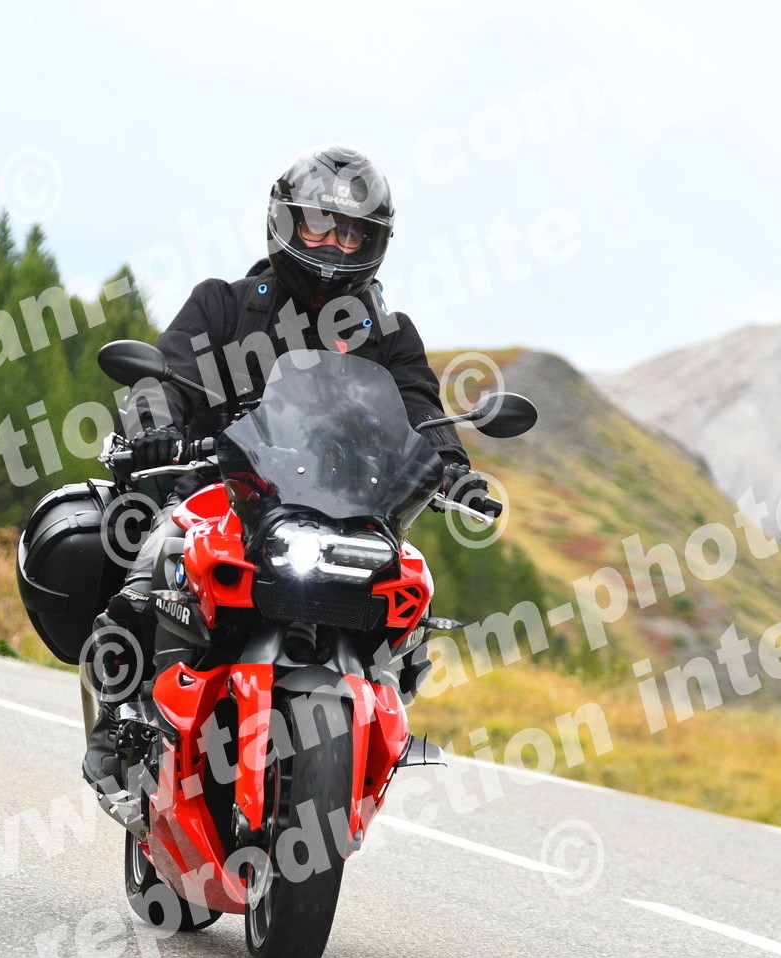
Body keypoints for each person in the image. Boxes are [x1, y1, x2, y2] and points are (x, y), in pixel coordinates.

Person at [82, 143, 501, 795]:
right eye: (320, 224)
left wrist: (453, 469)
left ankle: (376, 718)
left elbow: (421, 409)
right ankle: (120, 720)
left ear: (375, 242)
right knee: (155, 557)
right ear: (286, 221)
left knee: (411, 594)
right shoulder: (224, 307)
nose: (335, 243)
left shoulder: (389, 334)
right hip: (224, 494)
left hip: (346, 510)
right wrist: (153, 429)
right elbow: (164, 380)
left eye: (353, 231)